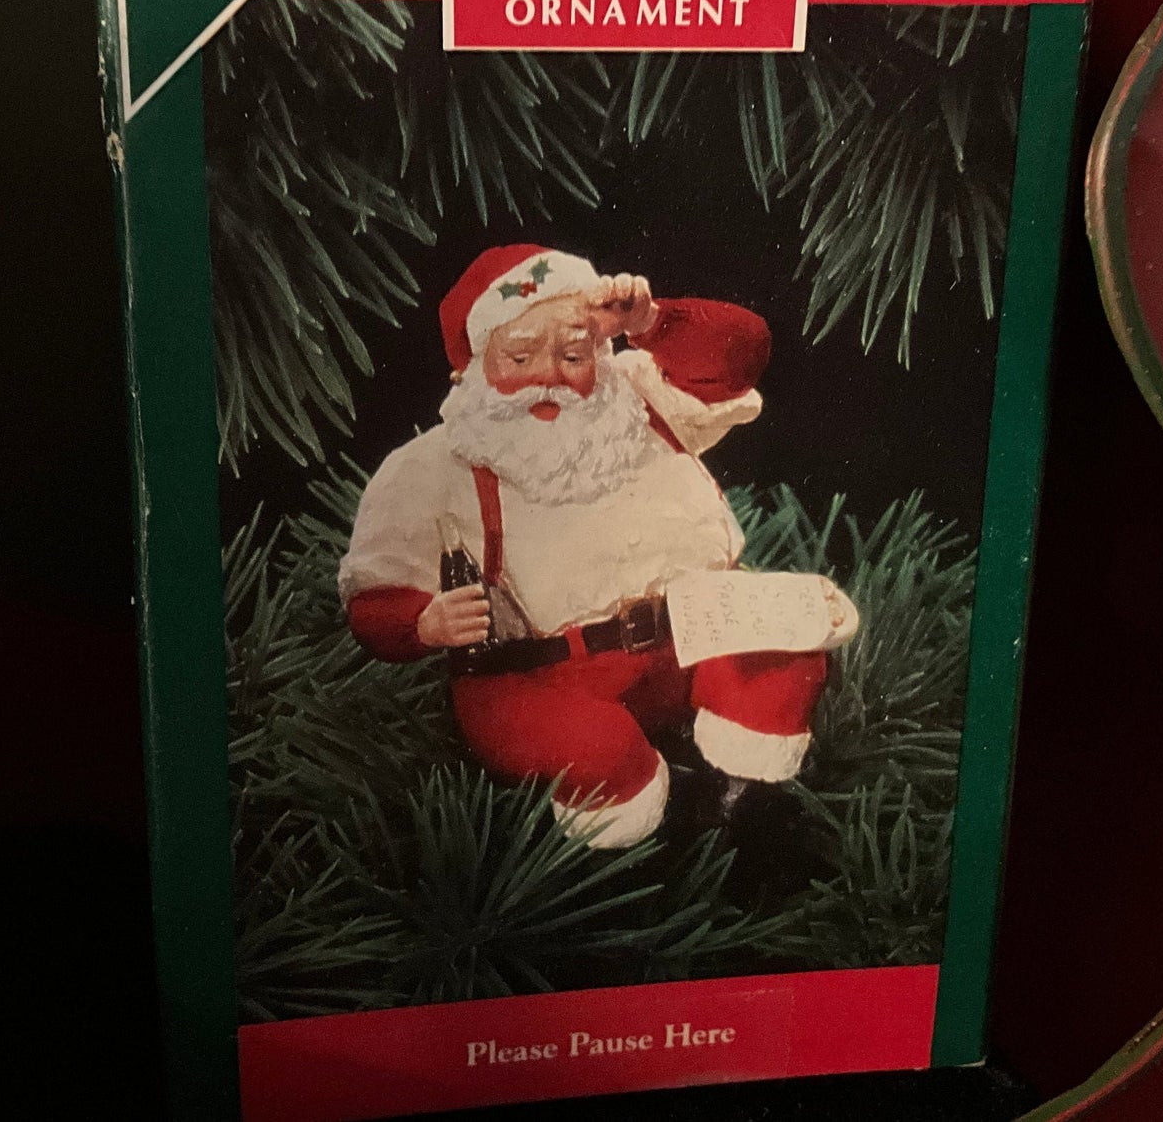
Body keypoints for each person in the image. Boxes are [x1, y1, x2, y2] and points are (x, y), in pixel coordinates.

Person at [338, 244, 854, 848]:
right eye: (520, 357)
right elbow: (374, 595)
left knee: (783, 659)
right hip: (543, 673)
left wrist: (652, 322)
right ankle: (641, 831)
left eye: (573, 355)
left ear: (601, 352)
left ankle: (743, 799)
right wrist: (423, 624)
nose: (549, 379)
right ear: (474, 367)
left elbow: (742, 354)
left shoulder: (636, 398)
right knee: (596, 751)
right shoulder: (433, 467)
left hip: (688, 633)